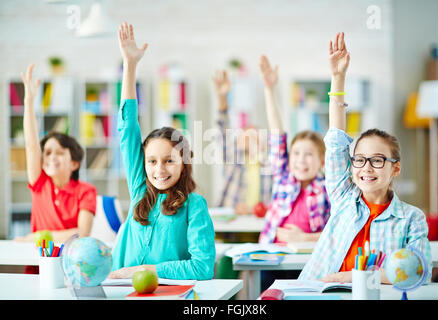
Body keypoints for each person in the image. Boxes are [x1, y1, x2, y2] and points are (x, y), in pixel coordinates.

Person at [299, 32, 432, 283]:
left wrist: (348, 278)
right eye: (359, 159)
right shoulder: (343, 196)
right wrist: (338, 79)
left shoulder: (411, 218)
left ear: (396, 168)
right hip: (314, 292)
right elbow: (337, 139)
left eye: (378, 160)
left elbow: (420, 272)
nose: (367, 168)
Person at [109, 22, 215, 280]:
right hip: (121, 294)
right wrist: (130, 66)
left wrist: (147, 270)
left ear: (184, 161)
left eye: (169, 160)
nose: (159, 169)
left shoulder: (195, 206)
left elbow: (202, 268)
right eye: (152, 161)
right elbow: (127, 129)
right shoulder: (139, 189)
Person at [257, 55, 331, 291]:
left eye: (309, 154)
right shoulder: (284, 176)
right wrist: (270, 89)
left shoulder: (328, 187)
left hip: (309, 260)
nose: (301, 160)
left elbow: (337, 233)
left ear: (321, 160)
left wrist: (304, 239)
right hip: (273, 257)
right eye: (296, 153)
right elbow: (277, 131)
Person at [14, 64, 97, 245]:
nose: (51, 157)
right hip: (38, 263)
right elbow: (31, 145)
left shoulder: (86, 191)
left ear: (74, 163)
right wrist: (29, 101)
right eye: (47, 153)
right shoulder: (40, 183)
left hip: (71, 264)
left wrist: (34, 237)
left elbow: (82, 234)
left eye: (59, 153)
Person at [213, 70, 272, 216]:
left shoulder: (270, 164)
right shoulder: (233, 159)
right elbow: (223, 127)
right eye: (246, 135)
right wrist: (222, 97)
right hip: (231, 223)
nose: (250, 138)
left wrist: (253, 211)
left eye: (255, 135)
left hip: (260, 226)